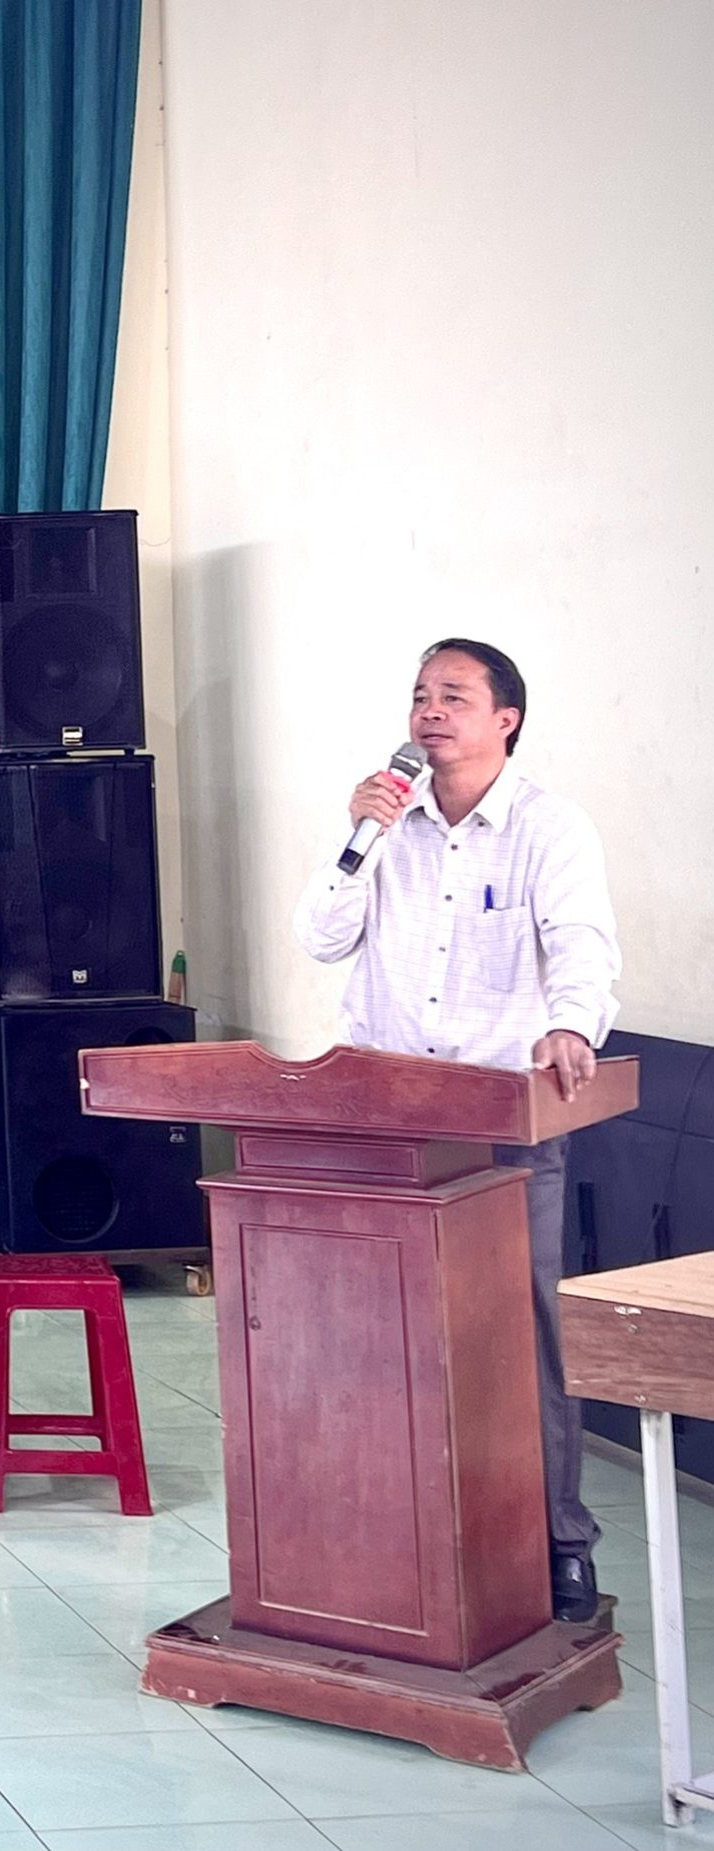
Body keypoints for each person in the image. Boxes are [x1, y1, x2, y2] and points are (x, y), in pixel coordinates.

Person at [292, 638, 620, 1622]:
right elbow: (320, 938)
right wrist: (357, 837)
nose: (429, 711)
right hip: (384, 1120)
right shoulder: (385, 823)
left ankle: (557, 1545)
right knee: (374, 1333)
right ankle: (393, 1535)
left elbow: (581, 944)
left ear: (504, 719)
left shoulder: (548, 828)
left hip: (501, 1123)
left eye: (453, 696)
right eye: (419, 695)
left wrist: (571, 1024)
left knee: (520, 1335)